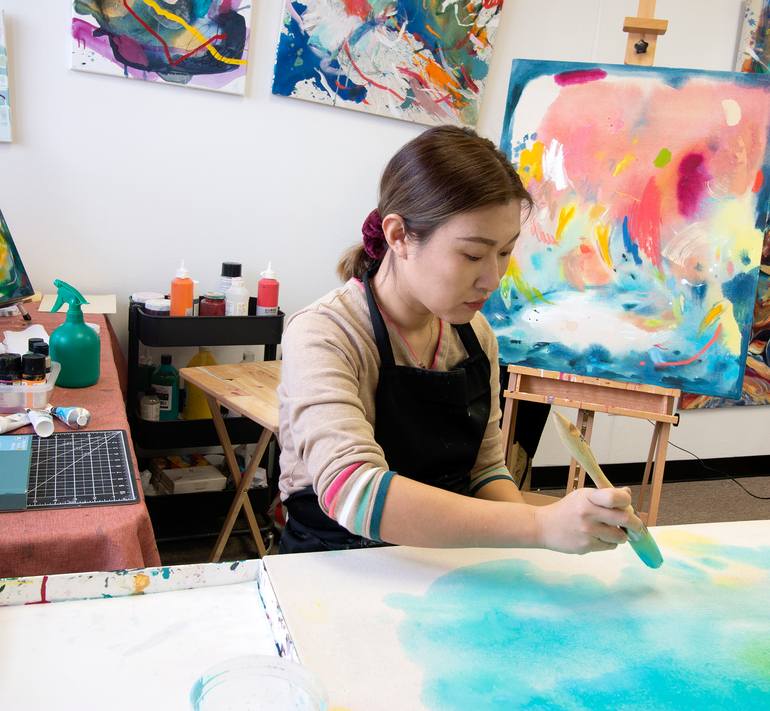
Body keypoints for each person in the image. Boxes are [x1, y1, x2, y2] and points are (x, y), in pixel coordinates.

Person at [277, 126, 641, 554]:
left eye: (504, 253)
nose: (493, 278)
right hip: (334, 562)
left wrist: (536, 549)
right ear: (398, 236)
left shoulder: (476, 336)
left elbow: (485, 470)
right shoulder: (325, 332)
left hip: (443, 558)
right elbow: (353, 492)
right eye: (472, 254)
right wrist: (538, 526)